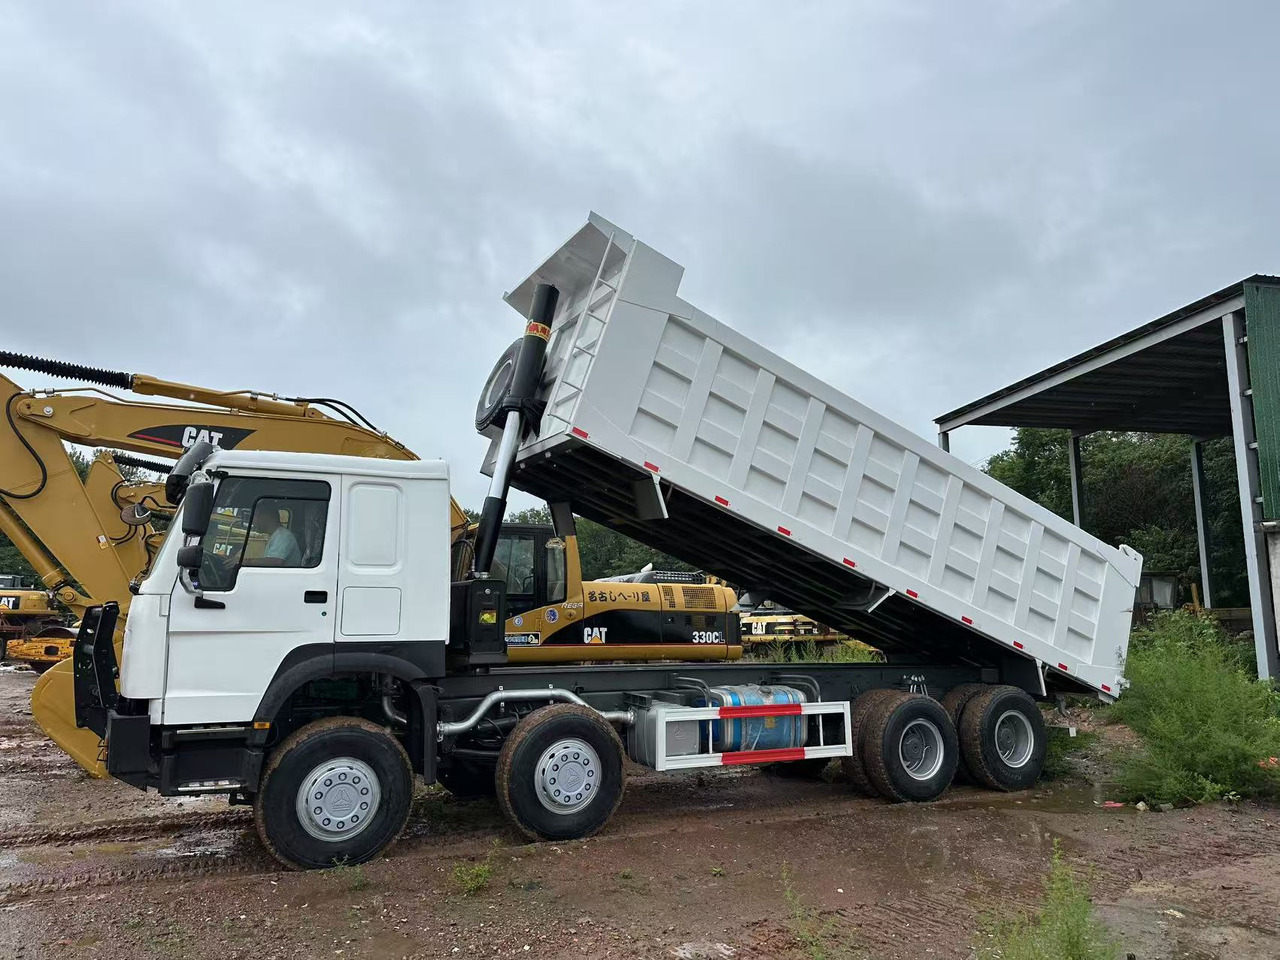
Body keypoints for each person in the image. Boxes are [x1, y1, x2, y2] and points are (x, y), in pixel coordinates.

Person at [253, 500, 301, 566]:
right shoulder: (277, 535)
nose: (253, 521)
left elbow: (274, 562)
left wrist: (243, 561)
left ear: (266, 516)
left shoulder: (283, 536)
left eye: (255, 516)